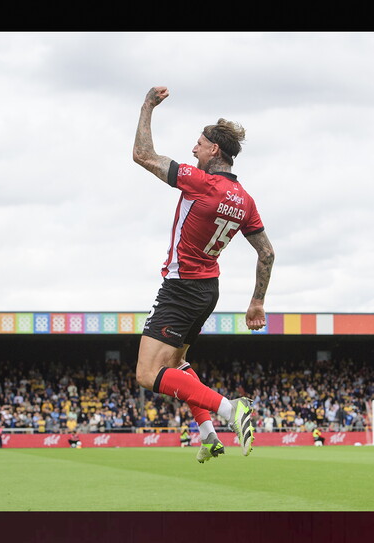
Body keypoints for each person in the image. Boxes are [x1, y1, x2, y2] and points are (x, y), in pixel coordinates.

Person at [132, 86, 275, 463]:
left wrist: (147, 106)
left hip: (180, 289)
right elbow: (267, 252)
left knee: (148, 373)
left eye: (198, 144)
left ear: (214, 150)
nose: (193, 149)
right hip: (208, 289)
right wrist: (257, 301)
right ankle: (209, 435)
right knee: (176, 364)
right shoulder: (244, 199)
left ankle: (231, 410)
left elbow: (142, 155)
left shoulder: (201, 181)